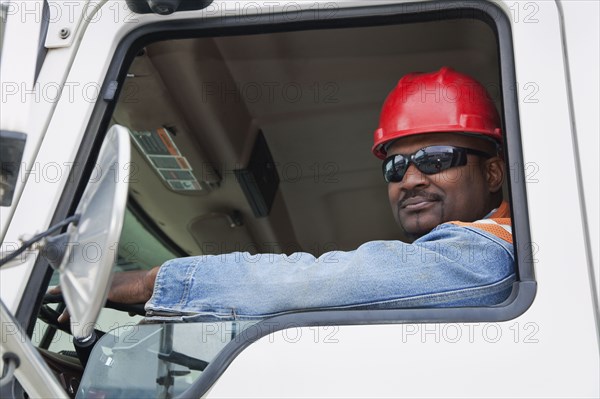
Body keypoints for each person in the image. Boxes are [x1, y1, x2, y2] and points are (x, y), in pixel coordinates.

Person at [60, 67, 516, 322]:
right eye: (396, 165)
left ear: (493, 171)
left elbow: (319, 281)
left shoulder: (489, 254)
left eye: (436, 158)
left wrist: (148, 283)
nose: (411, 179)